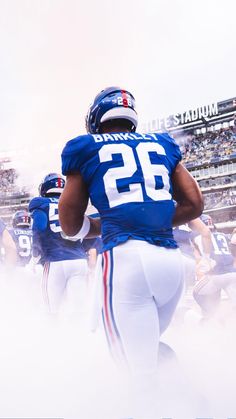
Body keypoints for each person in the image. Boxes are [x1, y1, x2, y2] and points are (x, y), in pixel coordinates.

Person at [59, 86, 203, 374]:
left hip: (126, 262)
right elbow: (195, 204)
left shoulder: (84, 146)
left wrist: (105, 225)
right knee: (147, 349)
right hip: (171, 263)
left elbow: (69, 221)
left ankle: (175, 405)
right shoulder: (161, 143)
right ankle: (184, 395)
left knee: (130, 362)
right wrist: (153, 222)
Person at [29, 173, 89, 315]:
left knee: (51, 311)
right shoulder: (74, 204)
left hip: (56, 261)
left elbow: (39, 228)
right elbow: (87, 235)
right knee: (78, 311)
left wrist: (36, 253)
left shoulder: (41, 203)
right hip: (79, 261)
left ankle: (53, 336)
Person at [193, 215, 236, 319]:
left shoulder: (197, 237)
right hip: (232, 274)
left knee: (197, 293)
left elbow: (198, 260)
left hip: (215, 276)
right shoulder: (224, 235)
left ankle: (213, 317)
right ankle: (228, 321)